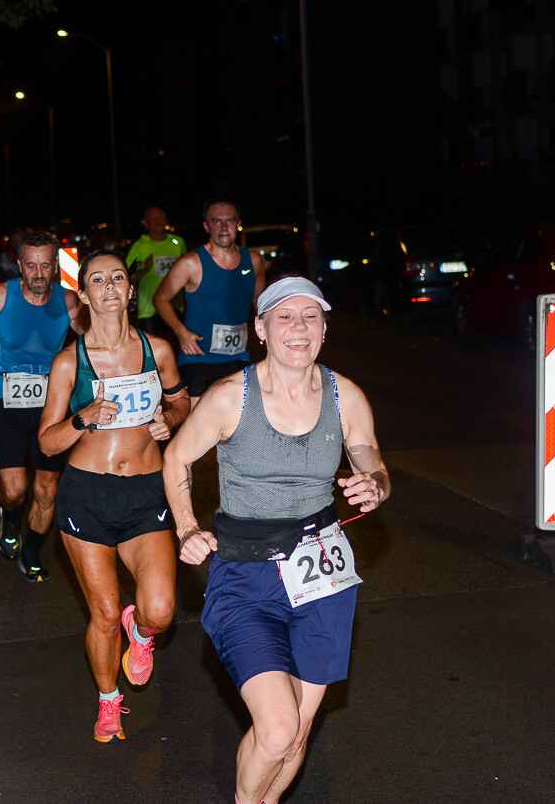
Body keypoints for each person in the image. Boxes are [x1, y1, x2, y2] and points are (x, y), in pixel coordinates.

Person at [162, 276, 390, 804]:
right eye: (284, 317)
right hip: (246, 576)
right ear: (260, 329)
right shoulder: (228, 398)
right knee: (279, 728)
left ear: (325, 328)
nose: (298, 327)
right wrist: (187, 527)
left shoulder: (345, 395)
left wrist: (374, 484)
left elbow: (370, 456)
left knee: (298, 734)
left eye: (310, 316)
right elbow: (176, 457)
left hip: (323, 574)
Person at [38, 250, 190, 742]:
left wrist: (173, 418)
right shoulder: (70, 362)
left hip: (147, 493)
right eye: (96, 280)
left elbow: (180, 399)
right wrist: (84, 418)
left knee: (161, 609)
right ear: (82, 296)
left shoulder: (158, 350)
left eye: (117, 278)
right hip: (86, 496)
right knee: (102, 613)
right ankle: (108, 700)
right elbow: (46, 441)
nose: (108, 286)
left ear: (130, 291)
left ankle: (141, 634)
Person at [0, 231, 83, 581]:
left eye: (45, 265)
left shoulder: (67, 302)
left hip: (52, 406)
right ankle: (11, 519)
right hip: (6, 401)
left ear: (55, 267)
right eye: (30, 265)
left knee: (47, 489)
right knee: (14, 491)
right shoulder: (0, 294)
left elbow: (91, 338)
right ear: (19, 265)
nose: (37, 273)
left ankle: (31, 552)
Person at [153, 197, 266, 401]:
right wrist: (181, 332)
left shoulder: (255, 261)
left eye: (229, 220)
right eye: (216, 221)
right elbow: (160, 298)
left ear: (238, 224)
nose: (223, 227)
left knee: (240, 427)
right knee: (201, 429)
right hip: (198, 360)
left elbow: (261, 305)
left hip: (239, 358)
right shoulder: (190, 262)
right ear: (207, 226)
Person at [126, 205, 187, 337]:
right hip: (149, 308)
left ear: (166, 220)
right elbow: (126, 278)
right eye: (153, 218)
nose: (157, 220)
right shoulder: (139, 246)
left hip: (174, 304)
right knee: (153, 348)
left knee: (175, 346)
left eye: (160, 217)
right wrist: (145, 270)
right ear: (146, 224)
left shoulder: (178, 243)